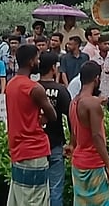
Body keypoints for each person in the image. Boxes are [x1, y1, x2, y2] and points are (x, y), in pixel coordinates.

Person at [5, 44, 60, 206]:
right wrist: (43, 117)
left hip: (17, 149)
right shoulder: (35, 88)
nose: (38, 62)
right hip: (35, 149)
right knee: (36, 198)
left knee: (19, 197)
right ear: (31, 61)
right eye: (37, 58)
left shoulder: (11, 84)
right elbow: (53, 115)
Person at [70, 62, 109, 204]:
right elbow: (97, 136)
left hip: (78, 162)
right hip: (93, 164)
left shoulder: (74, 102)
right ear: (97, 79)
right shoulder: (92, 104)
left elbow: (74, 133)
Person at [38, 52, 72, 206]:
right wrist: (72, 142)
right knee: (56, 189)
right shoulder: (61, 90)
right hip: (56, 144)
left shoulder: (33, 88)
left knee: (37, 190)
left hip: (36, 146)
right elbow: (72, 118)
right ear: (53, 68)